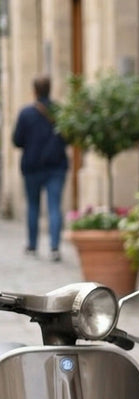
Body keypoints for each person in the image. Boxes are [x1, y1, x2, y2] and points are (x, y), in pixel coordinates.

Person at [12, 75, 69, 260]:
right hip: (56, 166)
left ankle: (32, 245)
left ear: (35, 90)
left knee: (33, 206)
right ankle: (54, 248)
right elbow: (68, 137)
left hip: (33, 167)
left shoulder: (26, 113)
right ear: (50, 89)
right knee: (54, 207)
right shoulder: (60, 112)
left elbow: (17, 140)